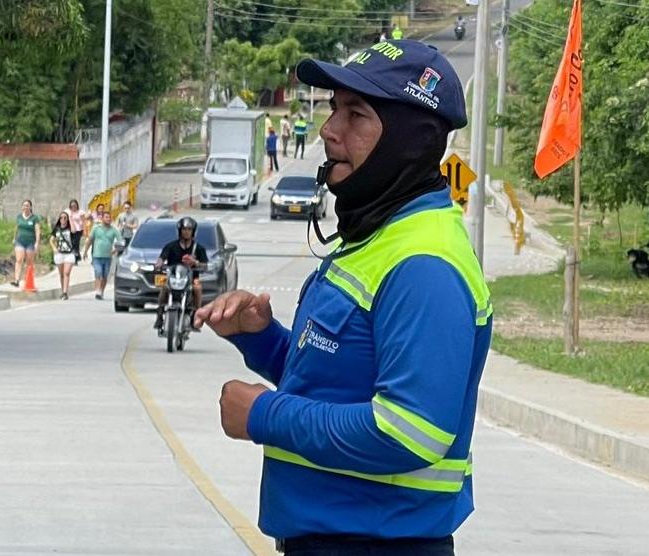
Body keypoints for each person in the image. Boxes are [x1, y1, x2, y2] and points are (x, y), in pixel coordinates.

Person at [195, 41, 489, 555]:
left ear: (409, 142)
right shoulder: (378, 236)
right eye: (334, 108)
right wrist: (263, 340)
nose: (330, 130)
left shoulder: (425, 265)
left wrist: (265, 415)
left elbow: (411, 430)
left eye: (356, 115)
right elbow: (339, 381)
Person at [154, 216, 207, 335]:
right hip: (173, 278)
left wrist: (196, 263)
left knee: (197, 288)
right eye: (184, 229)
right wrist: (159, 264)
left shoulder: (198, 248)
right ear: (179, 231)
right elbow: (161, 258)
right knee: (164, 288)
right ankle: (160, 314)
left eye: (189, 229)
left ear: (193, 231)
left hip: (192, 278)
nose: (186, 232)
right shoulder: (171, 246)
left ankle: (195, 316)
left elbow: (205, 266)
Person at [84, 211, 120, 300]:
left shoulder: (113, 230)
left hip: (108, 257)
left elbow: (120, 241)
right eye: (106, 217)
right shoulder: (96, 228)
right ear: (102, 218)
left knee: (104, 275)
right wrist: (85, 251)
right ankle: (97, 291)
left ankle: (101, 291)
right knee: (98, 272)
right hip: (97, 255)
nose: (108, 219)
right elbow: (90, 240)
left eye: (109, 217)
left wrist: (115, 250)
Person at [11, 199, 42, 288]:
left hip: (30, 242)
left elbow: (37, 231)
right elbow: (16, 228)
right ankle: (17, 280)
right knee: (19, 260)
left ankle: (28, 281)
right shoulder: (19, 217)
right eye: (24, 205)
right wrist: (14, 238)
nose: (25, 207)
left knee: (29, 262)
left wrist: (37, 243)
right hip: (20, 241)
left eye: (27, 205)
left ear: (30, 207)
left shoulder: (34, 218)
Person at [49, 212, 76, 300]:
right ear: (59, 219)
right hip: (59, 253)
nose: (63, 219)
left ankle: (65, 292)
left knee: (66, 273)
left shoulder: (70, 228)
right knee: (61, 274)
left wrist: (71, 219)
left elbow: (74, 231)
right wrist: (54, 248)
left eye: (65, 218)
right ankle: (63, 291)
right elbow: (51, 240)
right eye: (61, 218)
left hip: (69, 254)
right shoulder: (57, 229)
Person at [67, 199, 86, 264]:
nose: (73, 207)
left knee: (76, 244)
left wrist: (84, 230)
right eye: (72, 206)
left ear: (77, 205)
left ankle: (76, 258)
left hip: (78, 230)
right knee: (71, 244)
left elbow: (84, 222)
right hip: (70, 230)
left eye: (74, 205)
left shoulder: (80, 212)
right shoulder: (68, 212)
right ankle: (76, 257)